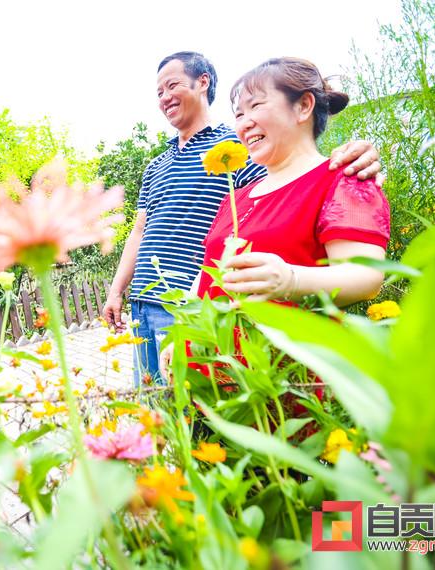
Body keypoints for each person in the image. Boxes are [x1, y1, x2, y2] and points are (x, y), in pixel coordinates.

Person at [101, 51, 382, 386]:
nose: (245, 122)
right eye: (239, 113)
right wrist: (179, 328)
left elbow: (365, 273)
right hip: (198, 352)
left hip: (276, 378)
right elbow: (203, 267)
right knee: (157, 414)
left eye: (256, 107)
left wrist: (291, 280)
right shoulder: (226, 197)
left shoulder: (245, 157)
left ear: (304, 106)